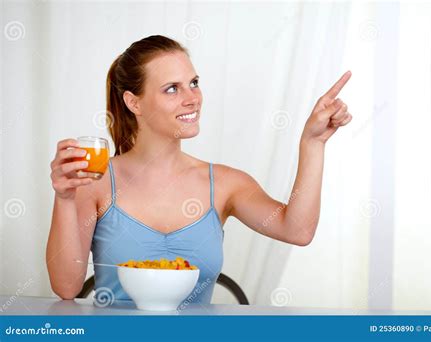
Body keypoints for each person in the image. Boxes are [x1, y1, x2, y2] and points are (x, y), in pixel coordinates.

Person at [46, 35, 352, 304]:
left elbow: (297, 230)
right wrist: (64, 198)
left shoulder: (225, 184)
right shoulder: (93, 182)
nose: (192, 98)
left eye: (193, 83)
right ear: (133, 102)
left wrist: (312, 143)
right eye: (171, 89)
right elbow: (67, 288)